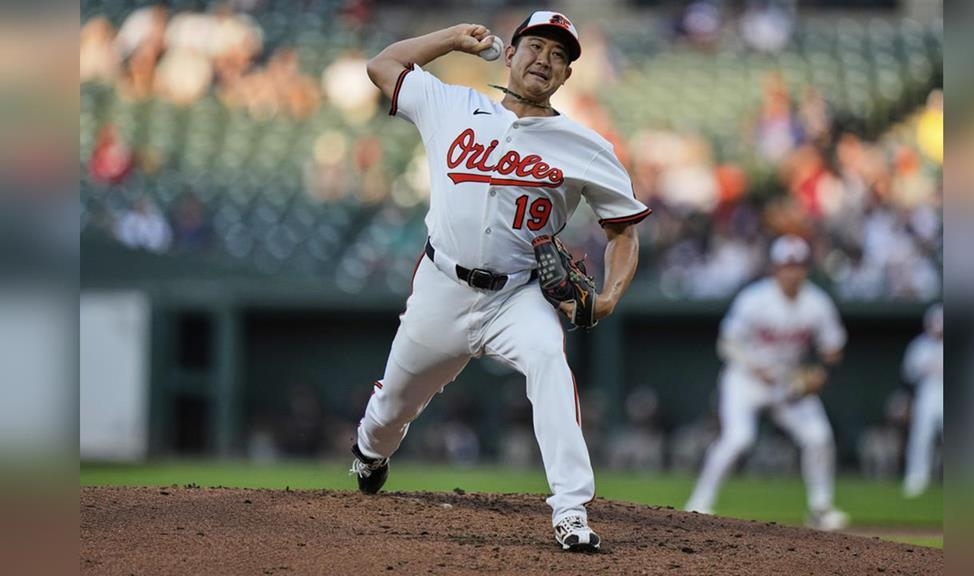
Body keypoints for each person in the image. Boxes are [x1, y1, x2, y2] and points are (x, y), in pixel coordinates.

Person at [349, 11, 650, 552]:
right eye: (535, 46)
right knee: (392, 407)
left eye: (559, 55)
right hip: (442, 287)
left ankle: (571, 509)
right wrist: (450, 39)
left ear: (567, 75)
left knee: (548, 359)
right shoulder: (451, 105)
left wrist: (607, 298)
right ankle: (371, 453)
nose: (545, 60)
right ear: (510, 54)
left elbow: (623, 232)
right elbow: (382, 65)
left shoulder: (585, 146)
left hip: (518, 294)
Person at [684, 235, 850, 531]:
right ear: (775, 268)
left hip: (788, 383)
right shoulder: (755, 298)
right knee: (738, 439)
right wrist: (754, 367)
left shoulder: (817, 303)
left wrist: (820, 372)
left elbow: (833, 348)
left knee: (818, 437)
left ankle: (820, 508)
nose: (793, 272)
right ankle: (698, 504)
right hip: (746, 379)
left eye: (799, 266)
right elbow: (727, 342)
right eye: (787, 265)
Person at [901, 304, 943, 498]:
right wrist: (925, 368)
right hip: (928, 392)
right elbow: (908, 373)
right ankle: (917, 477)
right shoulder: (919, 345)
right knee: (921, 436)